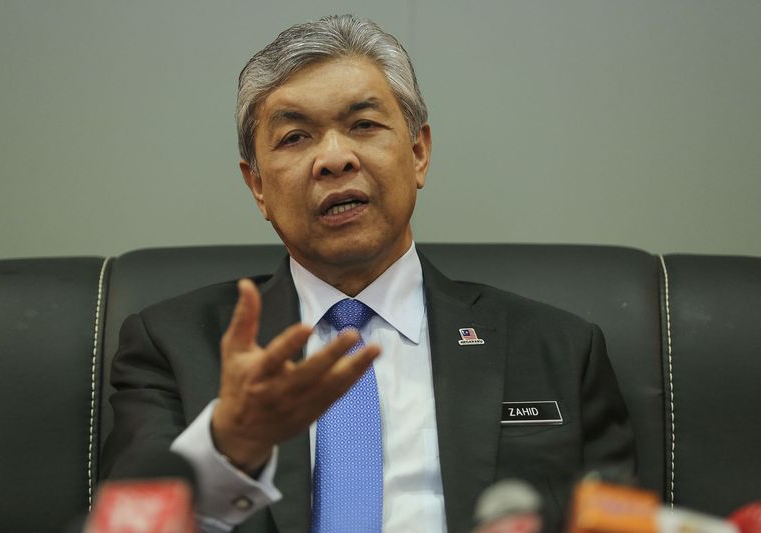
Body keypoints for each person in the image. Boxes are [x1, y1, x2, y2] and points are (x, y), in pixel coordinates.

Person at [101, 14, 635, 533]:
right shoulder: (171, 347)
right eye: (294, 138)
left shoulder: (558, 349)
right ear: (257, 186)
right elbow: (128, 521)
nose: (334, 158)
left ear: (419, 152)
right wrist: (229, 449)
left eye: (363, 125)